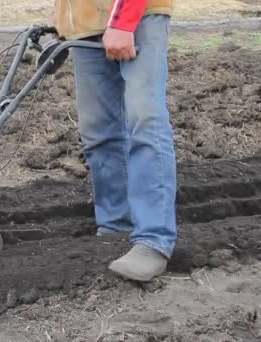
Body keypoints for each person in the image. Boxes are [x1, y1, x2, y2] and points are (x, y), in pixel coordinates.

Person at [53, 0, 177, 281]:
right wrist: (64, 21)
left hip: (139, 14)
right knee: (98, 131)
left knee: (144, 119)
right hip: (85, 23)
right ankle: (115, 227)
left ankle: (154, 239)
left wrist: (122, 21)